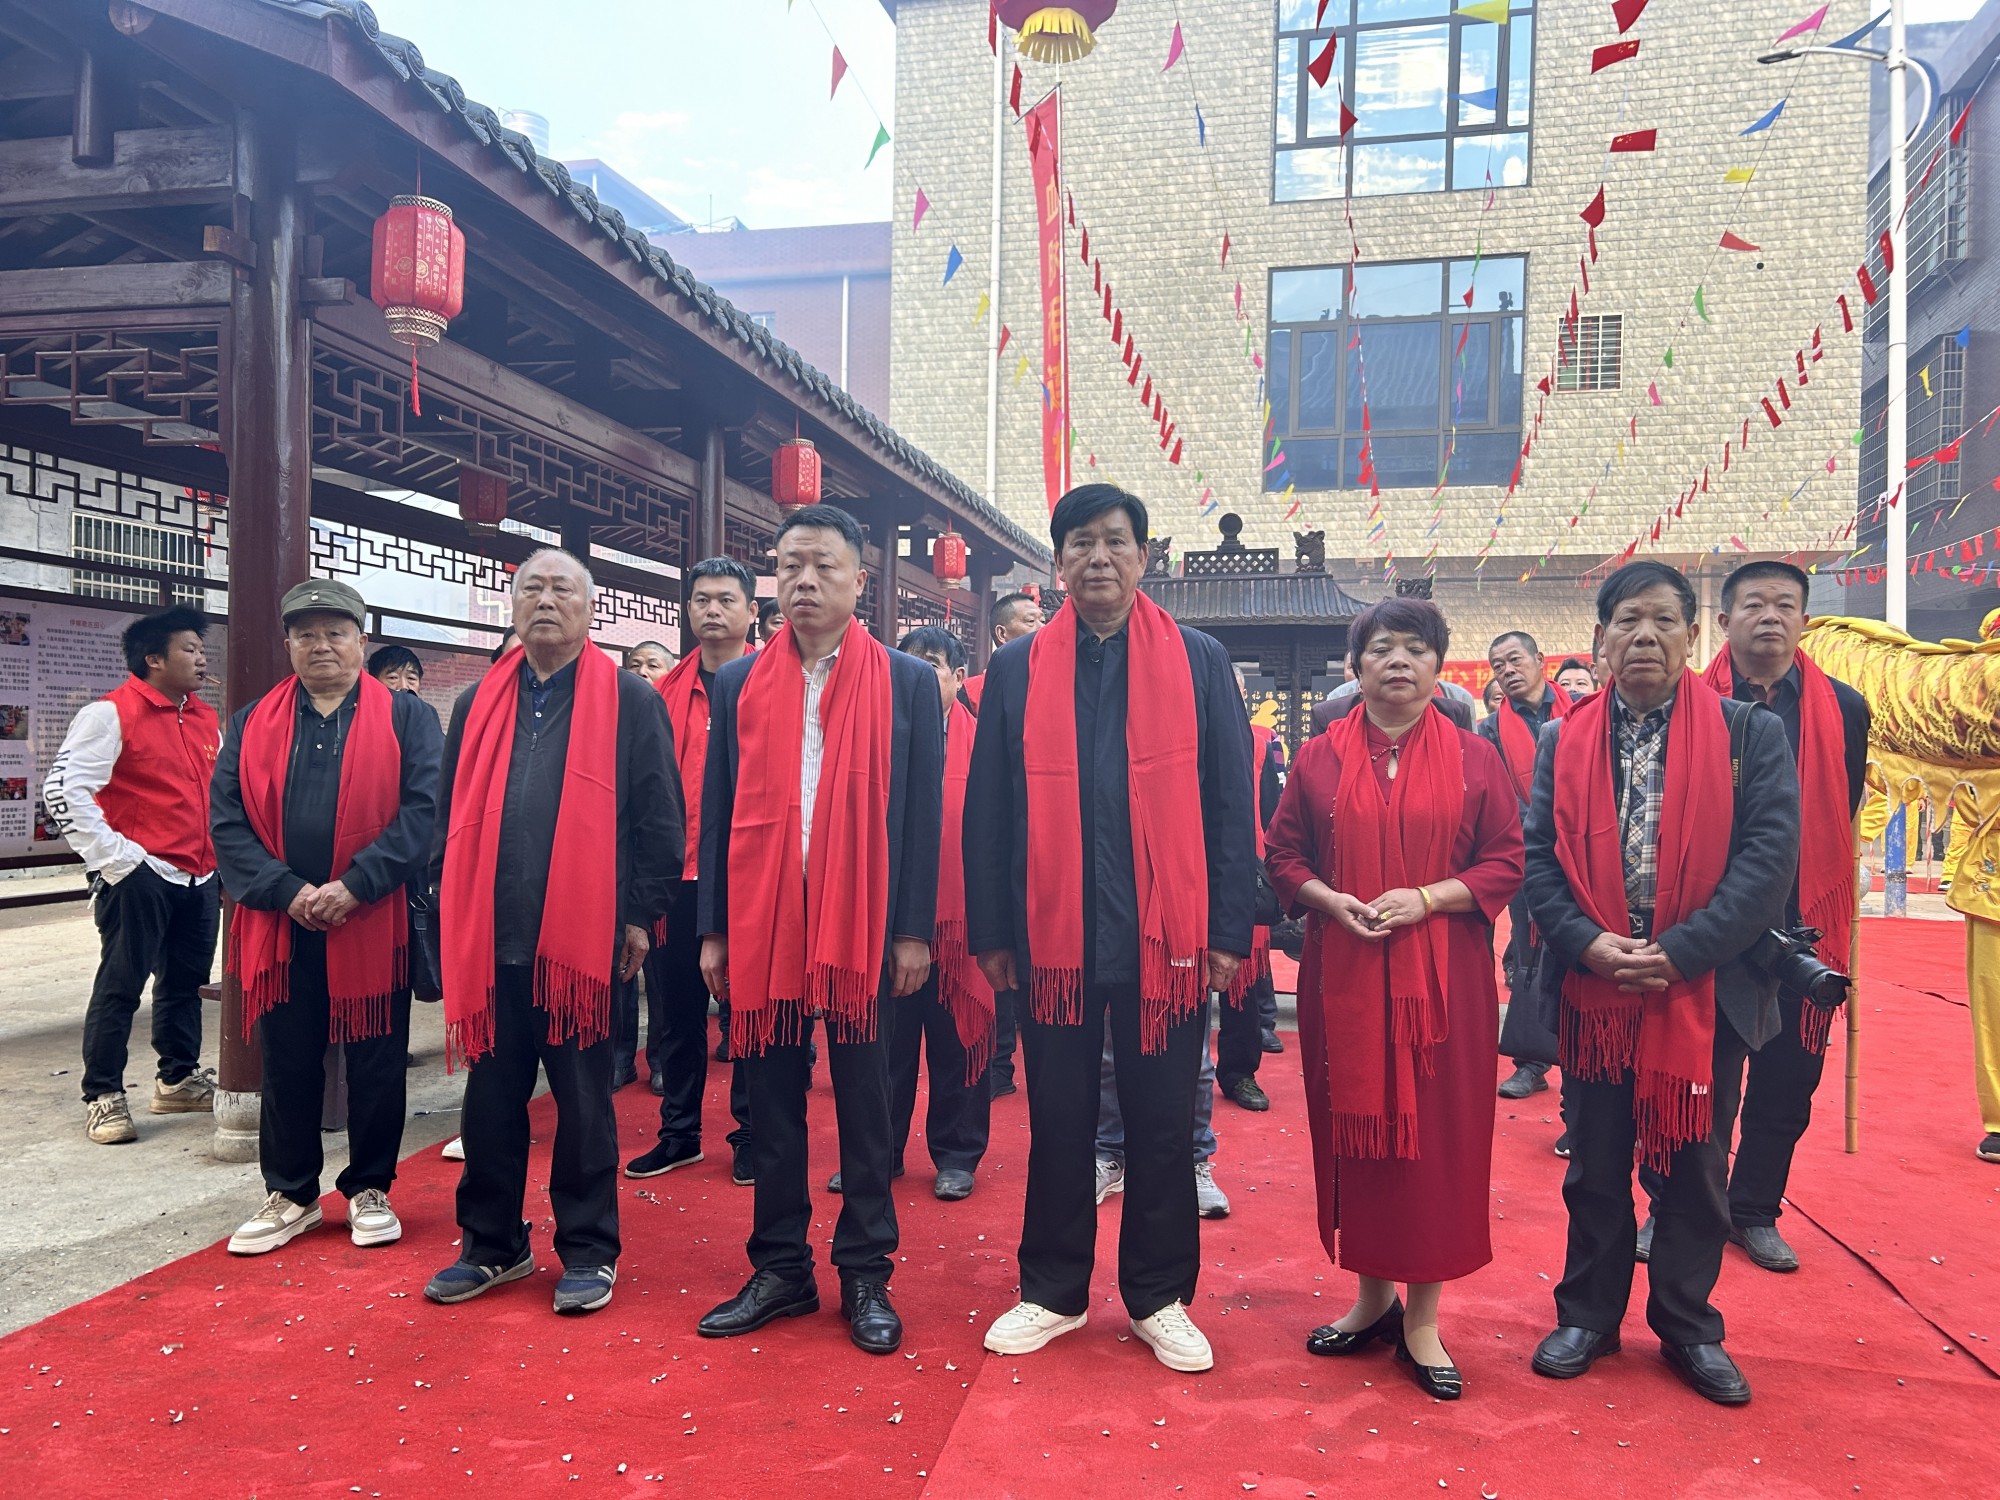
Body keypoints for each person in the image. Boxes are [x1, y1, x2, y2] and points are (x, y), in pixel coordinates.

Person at [966, 483, 1256, 1374]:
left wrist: (1229, 932)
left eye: (1116, 540)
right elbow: (989, 809)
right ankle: (1052, 1290)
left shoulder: (1198, 660)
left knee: (1163, 1124)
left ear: (1144, 556)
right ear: (1057, 562)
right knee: (1058, 1119)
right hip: (1051, 939)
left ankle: (1159, 1296)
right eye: (1081, 543)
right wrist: (992, 932)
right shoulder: (1018, 668)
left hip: (1166, 943)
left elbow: (1228, 803)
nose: (1098, 557)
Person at [1524, 561, 1799, 1407]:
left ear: (1691, 635)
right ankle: (1589, 1316)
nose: (1645, 636)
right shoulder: (1563, 740)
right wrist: (1590, 945)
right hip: (1597, 990)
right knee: (1595, 1165)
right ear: (1602, 638)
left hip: (1704, 989)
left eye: (1664, 621)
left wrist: (1681, 952)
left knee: (1696, 1167)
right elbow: (1540, 863)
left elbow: (1767, 864)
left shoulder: (1748, 735)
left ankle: (1687, 1325)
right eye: (1628, 621)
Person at [694, 504, 943, 1356]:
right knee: (770, 1103)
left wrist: (913, 930)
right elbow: (719, 811)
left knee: (867, 1102)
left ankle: (866, 1269)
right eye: (789, 565)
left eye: (823, 566)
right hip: (766, 919)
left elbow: (921, 818)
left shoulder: (907, 683)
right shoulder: (739, 683)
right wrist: (716, 929)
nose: (803, 581)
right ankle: (780, 1268)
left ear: (860, 581)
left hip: (865, 921)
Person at [1266, 596, 1522, 1401]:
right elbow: (1283, 855)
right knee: (1356, 1133)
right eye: (1382, 649)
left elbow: (1506, 860)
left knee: (1438, 1144)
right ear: (1357, 667)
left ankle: (1424, 1320)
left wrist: (1429, 897)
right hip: (1342, 973)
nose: (1399, 661)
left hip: (1445, 986)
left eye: (1415, 648)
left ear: (1439, 666)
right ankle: (1372, 1299)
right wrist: (1327, 899)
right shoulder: (1317, 759)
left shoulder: (1477, 759)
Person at [423, 548, 682, 1317]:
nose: (545, 599)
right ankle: (492, 1245)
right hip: (491, 935)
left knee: (583, 1102)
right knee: (490, 1101)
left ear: (589, 609)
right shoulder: (478, 701)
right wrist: (445, 900)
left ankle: (589, 1249)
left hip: (583, 940)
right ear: (511, 605)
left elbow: (660, 817)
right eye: (530, 587)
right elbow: (448, 810)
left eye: (561, 588)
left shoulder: (629, 699)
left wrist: (640, 914)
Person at [1631, 562, 1870, 1274]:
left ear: (1804, 621)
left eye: (1786, 606)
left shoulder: (1845, 707)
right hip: (1713, 923)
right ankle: (1670, 1206)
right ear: (1723, 622)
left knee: (1788, 1079)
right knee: (1692, 1078)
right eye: (1755, 605)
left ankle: (1755, 1210)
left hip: (1803, 922)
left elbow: (1843, 807)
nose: (1771, 617)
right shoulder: (1688, 701)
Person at [211, 580, 442, 1255]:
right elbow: (227, 820)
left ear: (360, 641)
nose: (321, 646)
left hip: (371, 918)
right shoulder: (252, 722)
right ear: (288, 644)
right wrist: (284, 890)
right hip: (283, 922)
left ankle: (370, 1187)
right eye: (305, 634)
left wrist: (356, 885)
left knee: (377, 1060)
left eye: (335, 633)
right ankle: (292, 1193)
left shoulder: (406, 717)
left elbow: (424, 812)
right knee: (287, 1060)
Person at [45, 605, 222, 1144]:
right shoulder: (110, 713)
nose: (202, 658)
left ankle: (177, 1079)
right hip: (141, 873)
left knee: (185, 984)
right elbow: (64, 791)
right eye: (189, 649)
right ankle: (103, 1095)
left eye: (202, 649)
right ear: (153, 659)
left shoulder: (203, 717)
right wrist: (119, 860)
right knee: (121, 986)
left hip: (199, 874)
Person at [625, 557, 759, 1185]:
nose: (712, 610)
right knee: (676, 1013)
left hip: (748, 875)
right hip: (674, 876)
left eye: (726, 599)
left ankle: (753, 1133)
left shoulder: (769, 682)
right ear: (687, 611)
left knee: (751, 1010)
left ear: (750, 611)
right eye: (701, 599)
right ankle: (679, 1133)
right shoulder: (663, 694)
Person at [855, 625, 993, 1202]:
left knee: (957, 1042)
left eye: (930, 664)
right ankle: (878, 1154)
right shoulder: (873, 736)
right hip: (886, 919)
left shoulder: (985, 743)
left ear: (958, 677)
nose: (914, 674)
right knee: (883, 1047)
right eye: (905, 663)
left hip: (963, 925)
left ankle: (957, 1154)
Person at [1477, 631, 1574, 1111]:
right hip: (1528, 853)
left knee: (1583, 955)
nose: (1507, 671)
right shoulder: (1490, 729)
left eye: (1514, 660)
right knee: (1529, 949)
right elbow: (1495, 792)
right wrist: (1537, 834)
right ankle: (1531, 1063)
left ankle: (1581, 1065)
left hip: (1585, 848)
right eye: (1498, 666)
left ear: (1540, 660)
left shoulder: (1581, 710)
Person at [979, 591, 1048, 1097]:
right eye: (1030, 620)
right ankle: (997, 1062)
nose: (1041, 627)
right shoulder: (978, 692)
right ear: (1002, 634)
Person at [1216, 666, 1286, 1111]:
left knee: (1240, 978)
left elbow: (1274, 812)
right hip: (1181, 868)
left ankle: (1239, 1072)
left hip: (1241, 866)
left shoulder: (1261, 740)